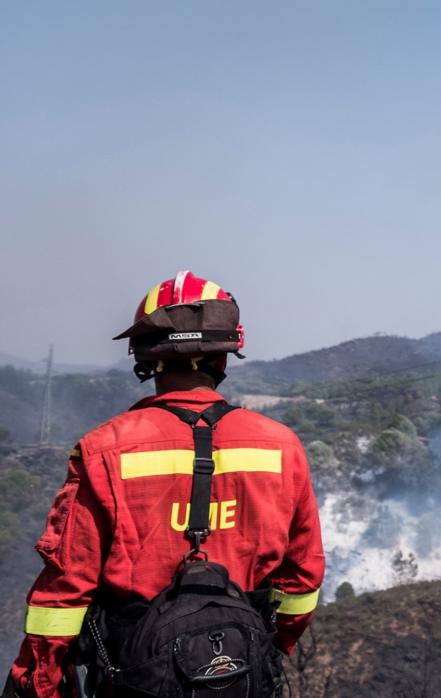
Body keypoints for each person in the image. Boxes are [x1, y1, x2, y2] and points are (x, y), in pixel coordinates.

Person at [5, 271, 324, 697]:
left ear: (145, 358)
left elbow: (64, 592)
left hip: (134, 680)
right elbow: (301, 581)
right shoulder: (282, 448)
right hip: (244, 675)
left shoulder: (105, 451)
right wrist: (266, 647)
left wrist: (36, 683)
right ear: (225, 356)